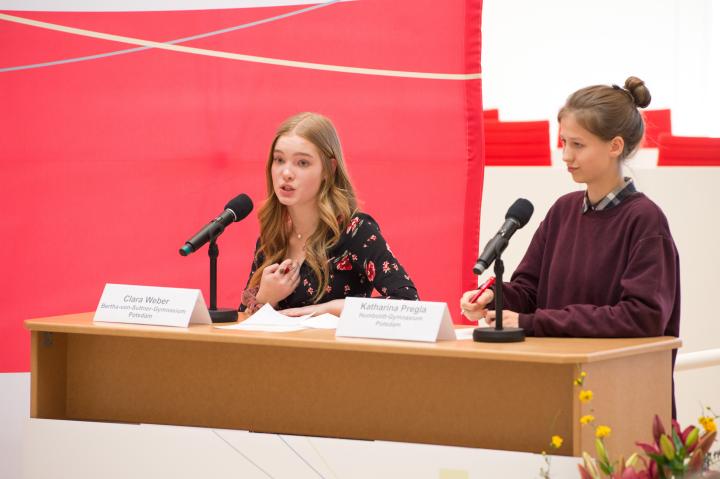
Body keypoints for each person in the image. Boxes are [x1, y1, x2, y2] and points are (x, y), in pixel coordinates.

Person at [461, 77, 681, 414]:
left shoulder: (645, 221)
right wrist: (494, 296)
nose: (565, 155)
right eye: (563, 141)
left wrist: (531, 322)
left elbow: (642, 317)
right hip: (558, 387)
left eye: (578, 145)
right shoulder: (563, 211)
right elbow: (530, 289)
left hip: (622, 394)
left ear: (615, 146)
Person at [239, 112, 418, 317]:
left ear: (329, 169)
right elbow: (243, 327)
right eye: (279, 160)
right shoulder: (271, 238)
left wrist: (324, 309)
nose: (286, 173)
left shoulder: (355, 231)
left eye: (302, 163)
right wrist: (265, 298)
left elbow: (408, 303)